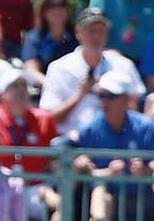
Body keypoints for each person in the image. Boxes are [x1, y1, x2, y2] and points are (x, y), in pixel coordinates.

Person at [68, 68, 154, 221]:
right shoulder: (89, 128)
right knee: (100, 203)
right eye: (101, 95)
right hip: (106, 198)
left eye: (110, 96)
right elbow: (79, 166)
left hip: (142, 198)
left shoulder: (144, 125)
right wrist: (91, 168)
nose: (104, 100)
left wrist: (145, 170)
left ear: (126, 100)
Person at [0, 66, 60, 221]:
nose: (21, 91)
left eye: (23, 86)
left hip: (35, 186)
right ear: (3, 93)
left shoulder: (44, 119)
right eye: (15, 86)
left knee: (61, 205)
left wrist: (52, 186)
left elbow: (54, 160)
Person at [41, 8, 141, 139]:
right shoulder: (59, 68)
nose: (96, 37)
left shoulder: (123, 65)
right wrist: (79, 96)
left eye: (101, 31)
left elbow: (135, 110)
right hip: (73, 142)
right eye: (91, 31)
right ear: (78, 32)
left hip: (115, 142)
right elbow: (48, 120)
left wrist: (111, 97)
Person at [21, 0, 77, 79]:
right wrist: (51, 86)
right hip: (44, 88)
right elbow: (31, 70)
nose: (57, 10)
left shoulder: (77, 38)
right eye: (52, 5)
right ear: (43, 11)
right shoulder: (35, 38)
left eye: (61, 5)